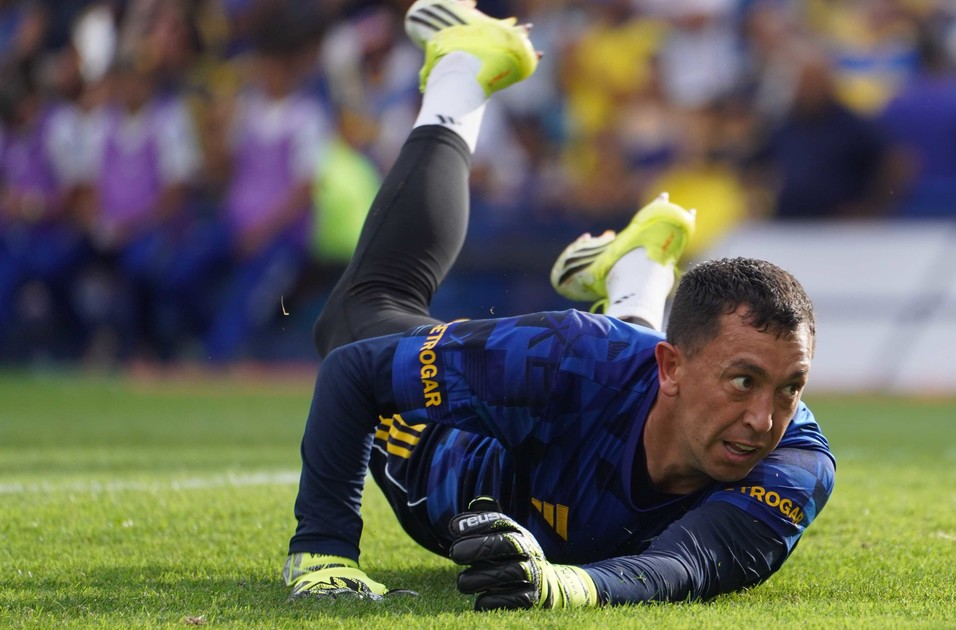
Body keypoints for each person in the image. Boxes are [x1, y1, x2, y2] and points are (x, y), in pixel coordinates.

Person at [282, 0, 835, 609]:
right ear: (671, 366)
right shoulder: (570, 356)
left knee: (618, 383)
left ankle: (637, 275)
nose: (764, 420)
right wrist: (325, 550)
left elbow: (685, 564)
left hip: (611, 391)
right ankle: (464, 73)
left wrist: (567, 585)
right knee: (364, 309)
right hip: (443, 443)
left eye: (790, 388)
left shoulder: (797, 463)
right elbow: (353, 373)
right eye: (744, 381)